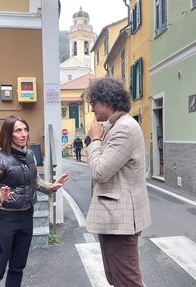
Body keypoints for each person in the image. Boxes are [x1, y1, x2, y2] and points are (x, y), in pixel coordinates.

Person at [0, 115, 69, 287]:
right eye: (18, 130)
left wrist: (51, 186)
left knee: (18, 267)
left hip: (26, 217)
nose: (23, 134)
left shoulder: (30, 155)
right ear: (8, 134)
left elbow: (34, 181)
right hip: (4, 219)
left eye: (25, 130)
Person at [85, 77, 152, 287]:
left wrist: (95, 140)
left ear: (107, 100)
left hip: (120, 221)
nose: (92, 107)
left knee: (127, 281)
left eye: (93, 102)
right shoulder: (115, 126)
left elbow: (100, 171)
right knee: (116, 278)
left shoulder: (124, 128)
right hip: (113, 219)